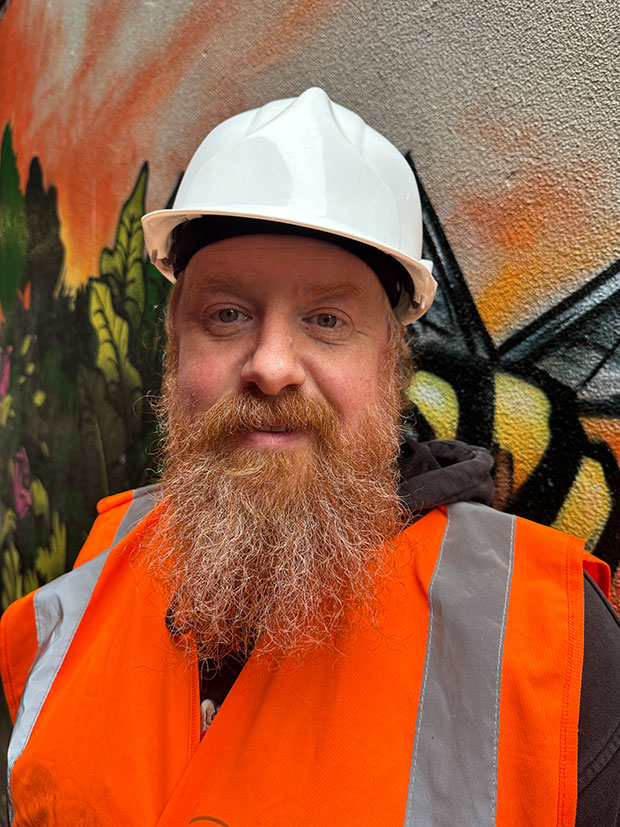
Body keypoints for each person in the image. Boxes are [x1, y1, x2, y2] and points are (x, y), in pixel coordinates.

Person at [1, 87, 619, 826]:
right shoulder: (91, 575)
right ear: (174, 353)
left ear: (391, 364)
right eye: (226, 314)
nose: (270, 365)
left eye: (326, 319)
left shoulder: (554, 639)